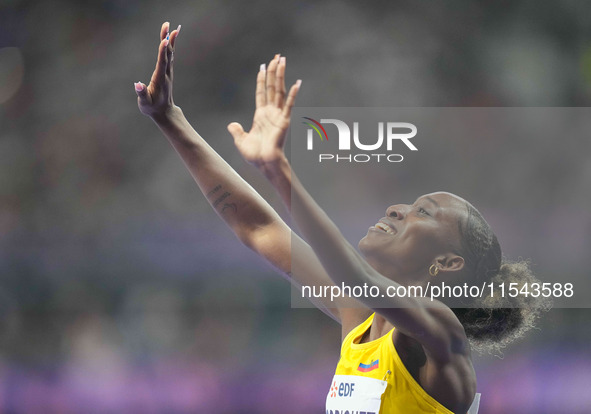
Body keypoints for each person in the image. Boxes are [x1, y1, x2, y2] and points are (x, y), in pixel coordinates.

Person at [135, 22, 546, 414]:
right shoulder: (362, 318)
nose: (396, 209)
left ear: (447, 263)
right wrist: (169, 118)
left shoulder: (441, 332)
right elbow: (257, 227)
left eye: (423, 212)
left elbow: (361, 281)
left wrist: (280, 172)